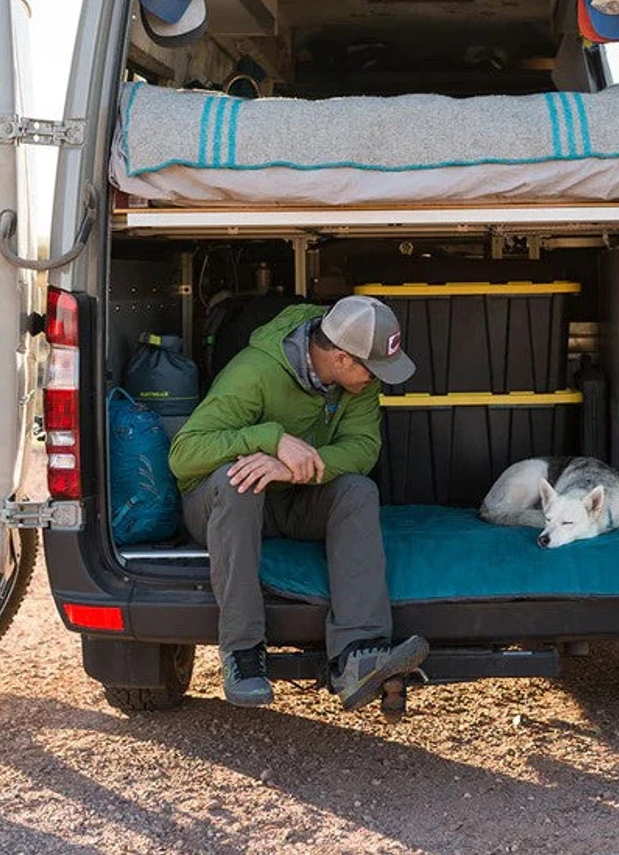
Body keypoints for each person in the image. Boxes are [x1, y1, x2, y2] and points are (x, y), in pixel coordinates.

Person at [169, 295, 428, 709]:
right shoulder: (255, 371)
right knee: (240, 483)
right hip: (220, 507)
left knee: (359, 491)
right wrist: (268, 439)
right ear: (341, 358)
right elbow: (183, 456)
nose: (379, 379)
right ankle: (242, 654)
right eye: (373, 368)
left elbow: (363, 449)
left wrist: (299, 466)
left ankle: (357, 654)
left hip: (291, 498)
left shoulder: (358, 383)